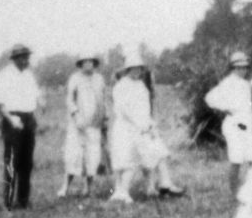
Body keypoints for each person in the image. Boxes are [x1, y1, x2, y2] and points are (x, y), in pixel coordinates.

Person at [108, 50, 185, 203]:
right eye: (133, 68)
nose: (137, 71)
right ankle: (121, 192)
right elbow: (123, 110)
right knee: (126, 161)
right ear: (127, 69)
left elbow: (145, 108)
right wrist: (139, 125)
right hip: (126, 128)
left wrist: (149, 124)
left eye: (139, 68)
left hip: (143, 126)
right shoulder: (121, 86)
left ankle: (165, 184)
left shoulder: (141, 86)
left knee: (159, 152)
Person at [204, 51, 252, 197]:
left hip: (247, 125)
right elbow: (209, 98)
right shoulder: (227, 83)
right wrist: (226, 108)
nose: (242, 70)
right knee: (236, 160)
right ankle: (234, 192)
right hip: (234, 125)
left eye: (244, 67)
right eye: (238, 67)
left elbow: (248, 109)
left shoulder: (246, 84)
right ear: (233, 68)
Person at [0, 44, 42, 210]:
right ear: (14, 59)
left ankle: (23, 200)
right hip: (12, 118)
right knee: (12, 161)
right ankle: (8, 201)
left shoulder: (29, 75)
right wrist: (11, 119)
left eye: (27, 57)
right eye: (21, 57)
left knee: (26, 163)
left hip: (28, 119)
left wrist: (41, 102)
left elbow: (36, 95)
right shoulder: (4, 75)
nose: (25, 60)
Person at [58, 52, 107, 198]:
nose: (88, 65)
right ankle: (65, 187)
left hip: (94, 123)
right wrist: (76, 115)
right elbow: (69, 100)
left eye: (91, 62)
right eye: (85, 62)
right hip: (78, 123)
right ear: (80, 64)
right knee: (73, 155)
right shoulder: (75, 78)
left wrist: (104, 118)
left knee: (93, 155)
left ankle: (88, 187)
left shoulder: (99, 79)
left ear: (94, 63)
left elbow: (103, 100)